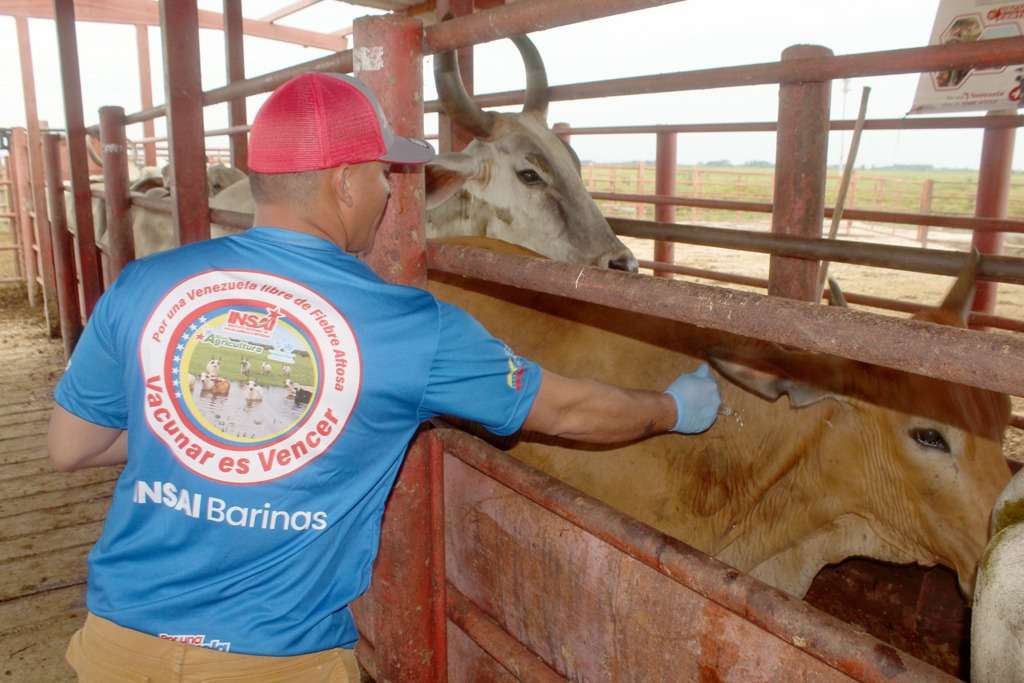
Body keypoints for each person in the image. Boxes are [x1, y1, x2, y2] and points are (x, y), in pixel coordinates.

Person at [47, 72, 721, 682]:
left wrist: (207, 437)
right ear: (344, 182)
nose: (392, 193)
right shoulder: (413, 327)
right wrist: (670, 407)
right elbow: (569, 410)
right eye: (384, 175)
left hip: (116, 645)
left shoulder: (145, 283)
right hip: (280, 662)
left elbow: (69, 446)